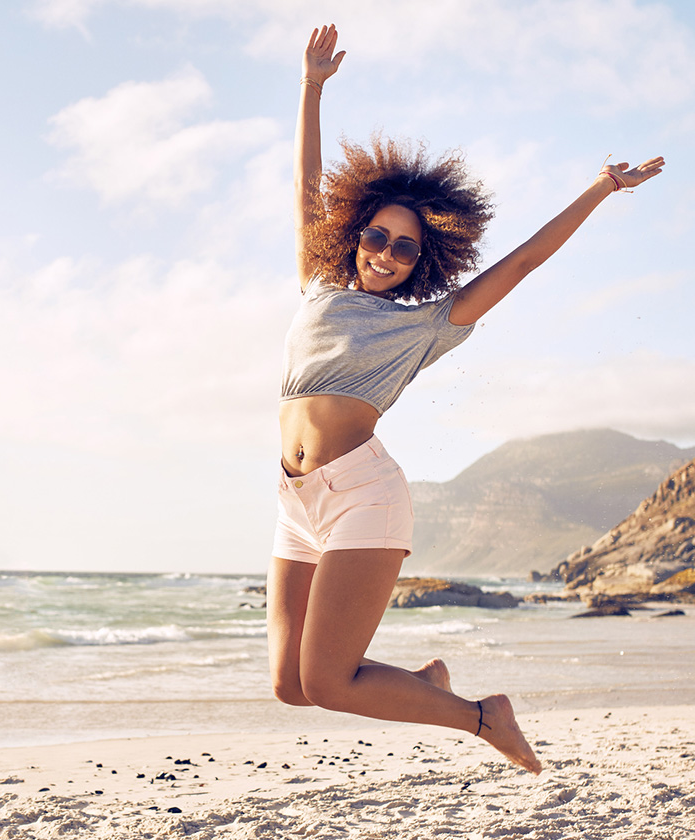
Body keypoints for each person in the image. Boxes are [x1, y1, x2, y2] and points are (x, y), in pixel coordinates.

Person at [267, 23, 664, 775]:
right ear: (355, 235)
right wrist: (312, 87)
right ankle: (423, 685)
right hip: (295, 500)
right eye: (376, 237)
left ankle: (485, 717)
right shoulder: (319, 286)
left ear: (423, 259)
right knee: (291, 685)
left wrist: (600, 189)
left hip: (362, 495)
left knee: (326, 678)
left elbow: (522, 262)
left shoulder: (426, 325)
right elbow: (306, 187)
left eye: (404, 247)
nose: (385, 252)